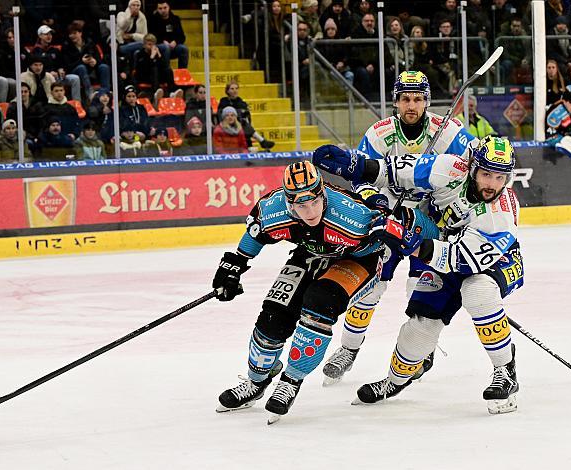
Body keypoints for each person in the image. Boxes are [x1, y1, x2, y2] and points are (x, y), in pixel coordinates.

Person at [313, 136, 523, 414]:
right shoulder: (449, 168)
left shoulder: (500, 215)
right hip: (445, 247)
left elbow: (462, 261)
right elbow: (396, 170)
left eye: (500, 177)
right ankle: (395, 380)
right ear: (472, 168)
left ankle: (505, 371)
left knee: (477, 291)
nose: (492, 184)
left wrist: (415, 246)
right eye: (486, 174)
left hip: (496, 260)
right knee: (420, 328)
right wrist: (356, 166)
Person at [214, 160, 437, 421]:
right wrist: (233, 266)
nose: (309, 211)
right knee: (273, 316)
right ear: (288, 203)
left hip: (358, 259)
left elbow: (409, 222)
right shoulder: (273, 209)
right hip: (310, 254)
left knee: (319, 304)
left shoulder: (352, 215)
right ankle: (256, 380)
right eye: (300, 205)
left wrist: (420, 237)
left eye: (314, 202)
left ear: (323, 194)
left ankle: (291, 381)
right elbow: (255, 233)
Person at [317, 71, 476, 385]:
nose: (412, 105)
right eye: (406, 99)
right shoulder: (380, 133)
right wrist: (375, 201)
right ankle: (349, 349)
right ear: (396, 102)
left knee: (422, 290)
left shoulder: (450, 131)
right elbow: (359, 177)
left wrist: (457, 210)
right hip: (388, 219)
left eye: (418, 99)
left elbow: (473, 169)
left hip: (430, 224)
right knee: (370, 288)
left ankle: (421, 349)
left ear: (427, 101)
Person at [217, 80, 274, 150]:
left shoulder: (242, 103)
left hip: (241, 125)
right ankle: (262, 141)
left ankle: (258, 143)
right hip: (227, 125)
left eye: (236, 88)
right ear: (227, 91)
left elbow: (247, 117)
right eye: (232, 89)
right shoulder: (223, 101)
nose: (235, 91)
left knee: (245, 125)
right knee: (244, 126)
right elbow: (220, 116)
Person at [148, 1, 188, 69]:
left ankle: (182, 73)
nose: (163, 10)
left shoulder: (175, 19)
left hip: (173, 46)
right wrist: (162, 41)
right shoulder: (152, 19)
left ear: (169, 7)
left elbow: (182, 36)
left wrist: (175, 42)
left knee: (183, 49)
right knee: (165, 48)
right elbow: (151, 36)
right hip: (159, 46)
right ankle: (166, 72)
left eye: (165, 8)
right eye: (160, 8)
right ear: (157, 9)